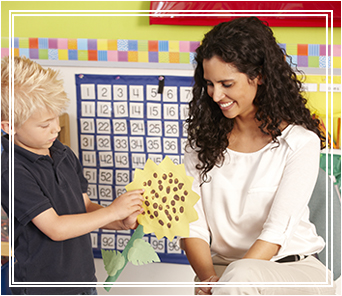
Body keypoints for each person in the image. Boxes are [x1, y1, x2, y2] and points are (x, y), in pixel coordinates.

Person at [181, 17, 336, 295]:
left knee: (241, 274)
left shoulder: (300, 143)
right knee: (236, 276)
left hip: (291, 271)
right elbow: (192, 226)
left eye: (227, 83)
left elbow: (276, 234)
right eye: (209, 84)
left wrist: (230, 283)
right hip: (224, 276)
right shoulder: (201, 144)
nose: (216, 95)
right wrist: (207, 279)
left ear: (259, 76)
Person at [1, 56, 144, 295]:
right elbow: (55, 228)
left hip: (83, 282)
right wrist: (113, 211)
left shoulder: (63, 153)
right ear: (9, 127)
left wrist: (121, 221)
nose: (56, 128)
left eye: (56, 117)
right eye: (44, 124)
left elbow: (84, 207)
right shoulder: (13, 171)